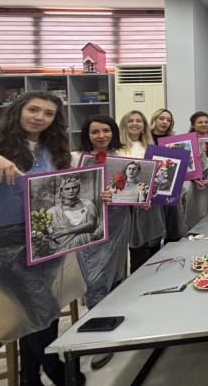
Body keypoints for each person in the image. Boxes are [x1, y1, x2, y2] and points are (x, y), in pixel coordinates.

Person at [0, 91, 84, 385]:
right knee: (43, 307)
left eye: (48, 113)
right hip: (3, 243)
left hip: (45, 238)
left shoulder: (53, 151)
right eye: (34, 110)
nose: (40, 117)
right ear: (18, 110)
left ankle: (28, 376)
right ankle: (56, 368)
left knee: (34, 309)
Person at [71, 114, 128, 370]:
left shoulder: (123, 157)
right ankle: (98, 339)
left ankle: (111, 322)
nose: (101, 136)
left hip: (119, 220)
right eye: (95, 132)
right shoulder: (75, 158)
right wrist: (94, 195)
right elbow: (66, 191)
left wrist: (142, 196)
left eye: (106, 130)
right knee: (94, 279)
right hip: (89, 224)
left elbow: (132, 188)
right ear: (87, 134)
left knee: (114, 273)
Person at [119, 110, 167, 272]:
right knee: (138, 248)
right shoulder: (118, 148)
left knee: (154, 242)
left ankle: (154, 277)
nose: (135, 124)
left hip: (152, 202)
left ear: (144, 125)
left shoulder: (151, 147)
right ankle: (137, 280)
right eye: (130, 120)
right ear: (124, 124)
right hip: (129, 204)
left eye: (139, 121)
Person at [148, 108, 184, 239]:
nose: (165, 122)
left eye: (168, 120)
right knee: (154, 224)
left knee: (171, 222)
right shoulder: (146, 138)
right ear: (154, 119)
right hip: (151, 187)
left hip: (170, 187)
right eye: (161, 119)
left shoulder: (173, 140)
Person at [46, 175, 99, 253]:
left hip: (87, 243)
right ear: (61, 191)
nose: (71, 191)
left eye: (74, 187)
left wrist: (64, 231)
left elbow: (90, 224)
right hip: (64, 247)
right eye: (67, 189)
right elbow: (52, 235)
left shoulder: (87, 204)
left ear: (79, 188)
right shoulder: (53, 211)